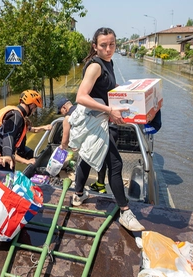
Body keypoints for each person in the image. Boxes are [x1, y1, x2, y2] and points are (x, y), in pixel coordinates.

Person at [68, 27, 145, 232]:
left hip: (98, 119)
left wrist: (126, 90)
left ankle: (78, 194)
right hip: (95, 121)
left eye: (112, 44)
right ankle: (125, 211)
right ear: (95, 46)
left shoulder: (108, 63)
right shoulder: (95, 66)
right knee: (115, 163)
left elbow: (104, 88)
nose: (108, 48)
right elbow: (81, 97)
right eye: (103, 45)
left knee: (87, 156)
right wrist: (110, 109)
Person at [57, 97, 108, 193]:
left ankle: (78, 191)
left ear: (64, 108)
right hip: (100, 138)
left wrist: (61, 148)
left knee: (82, 165)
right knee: (101, 160)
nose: (62, 114)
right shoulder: (84, 108)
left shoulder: (68, 118)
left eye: (60, 112)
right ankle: (100, 185)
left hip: (86, 144)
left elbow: (65, 141)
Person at [0, 89, 44, 171]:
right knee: (7, 179)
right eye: (35, 108)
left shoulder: (13, 111)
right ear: (31, 105)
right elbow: (9, 135)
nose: (34, 111)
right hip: (0, 155)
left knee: (30, 154)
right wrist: (8, 156)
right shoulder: (17, 116)